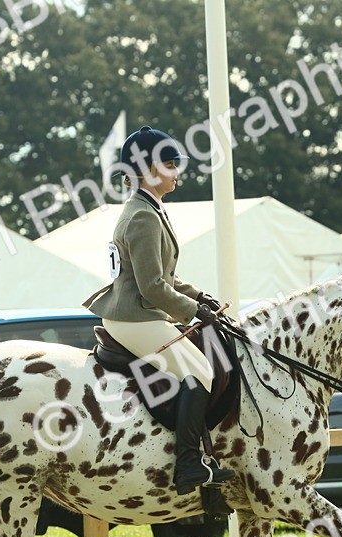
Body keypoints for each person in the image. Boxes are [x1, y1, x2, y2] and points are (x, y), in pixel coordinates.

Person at [83, 125, 236, 494]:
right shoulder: (142, 216)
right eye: (169, 163)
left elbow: (167, 276)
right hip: (134, 317)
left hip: (140, 310)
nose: (176, 170)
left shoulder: (151, 209)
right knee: (200, 371)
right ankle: (187, 464)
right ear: (147, 170)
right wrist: (194, 313)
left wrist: (201, 298)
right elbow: (152, 287)